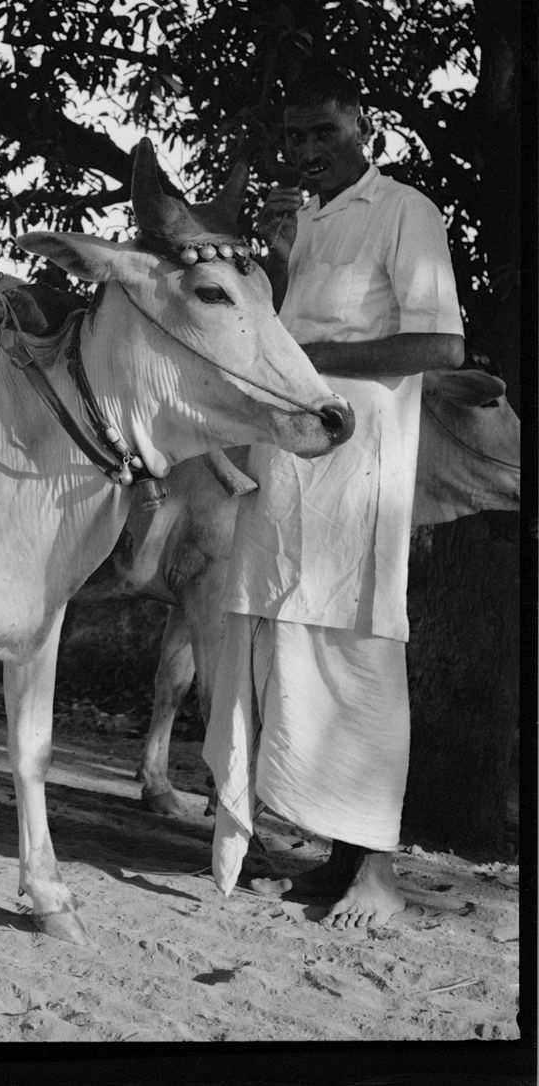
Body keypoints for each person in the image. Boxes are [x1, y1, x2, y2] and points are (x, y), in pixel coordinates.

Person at [203, 72, 465, 930]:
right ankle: (334, 853)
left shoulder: (405, 211)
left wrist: (310, 353)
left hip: (362, 473)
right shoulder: (308, 223)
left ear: (361, 127)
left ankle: (378, 871)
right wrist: (279, 263)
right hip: (292, 473)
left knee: (360, 651)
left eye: (323, 131)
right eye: (295, 137)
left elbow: (439, 340)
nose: (307, 149)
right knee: (293, 647)